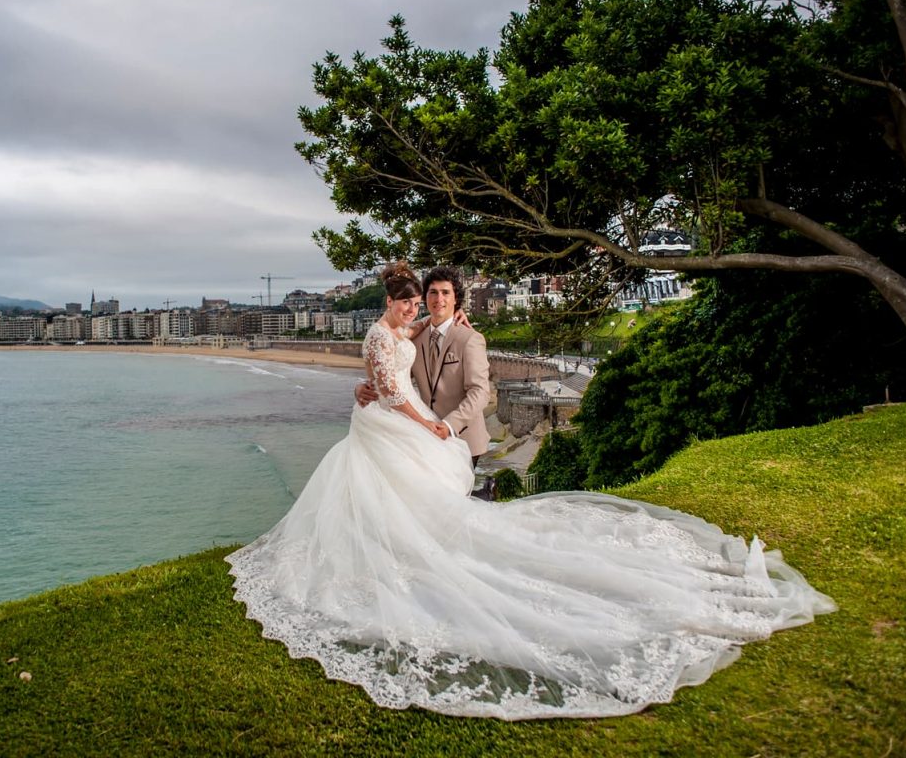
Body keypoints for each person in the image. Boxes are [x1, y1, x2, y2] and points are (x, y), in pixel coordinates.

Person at [226, 261, 835, 720]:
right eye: (420, 296)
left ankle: (430, 557)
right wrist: (377, 396)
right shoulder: (403, 334)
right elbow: (388, 382)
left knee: (433, 516)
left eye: (435, 296)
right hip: (406, 431)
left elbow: (477, 394)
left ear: (451, 302)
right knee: (406, 511)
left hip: (445, 438)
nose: (425, 303)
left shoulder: (465, 337)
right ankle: (414, 557)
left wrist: (442, 426)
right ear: (403, 301)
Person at [354, 266, 490, 468]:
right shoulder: (412, 337)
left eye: (446, 293)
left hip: (461, 436)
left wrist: (449, 425)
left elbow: (480, 393)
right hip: (419, 433)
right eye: (433, 293)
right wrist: (363, 387)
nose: (439, 299)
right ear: (425, 298)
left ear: (456, 299)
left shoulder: (470, 339)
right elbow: (390, 377)